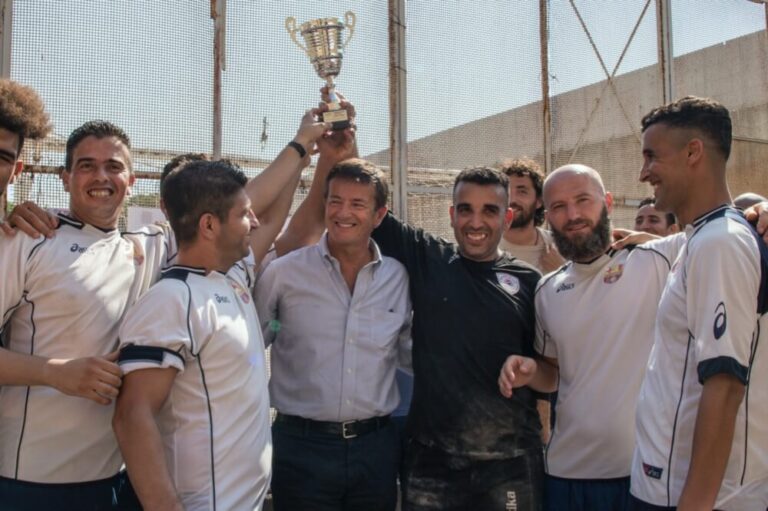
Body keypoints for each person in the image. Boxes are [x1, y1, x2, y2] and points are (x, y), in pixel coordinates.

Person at [500, 164, 684, 511]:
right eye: (559, 206)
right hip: (566, 473)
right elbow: (553, 374)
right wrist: (530, 370)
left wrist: (761, 212)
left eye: (583, 200)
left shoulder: (660, 258)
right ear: (547, 216)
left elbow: (728, 229)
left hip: (644, 473)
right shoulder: (547, 290)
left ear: (608, 202)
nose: (572, 215)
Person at [632, 96, 768, 510]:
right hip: (668, 488)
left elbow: (725, 386)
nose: (643, 173)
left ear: (693, 152)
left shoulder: (720, 243)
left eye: (652, 156)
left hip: (700, 498)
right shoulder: (700, 238)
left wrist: (694, 504)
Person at [113, 160, 272, 511]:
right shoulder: (171, 299)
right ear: (209, 225)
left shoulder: (230, 280)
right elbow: (131, 415)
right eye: (244, 214)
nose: (255, 222)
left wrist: (307, 147)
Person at [255, 159, 411, 511]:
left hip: (375, 450)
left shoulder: (398, 279)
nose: (343, 212)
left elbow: (410, 353)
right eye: (335, 201)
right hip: (301, 448)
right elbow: (251, 344)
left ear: (379, 215)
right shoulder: (284, 274)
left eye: (357, 204)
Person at [497, 158, 564, 273]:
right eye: (506, 192)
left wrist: (561, 272)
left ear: (539, 201)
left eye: (522, 192)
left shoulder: (560, 247)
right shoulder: (486, 248)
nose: (511, 200)